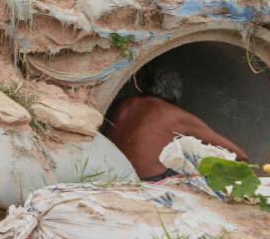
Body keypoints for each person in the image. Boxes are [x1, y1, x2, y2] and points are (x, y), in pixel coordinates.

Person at [105, 68, 250, 181]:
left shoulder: (122, 104)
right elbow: (239, 155)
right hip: (149, 180)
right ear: (176, 93)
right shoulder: (174, 114)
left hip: (111, 173)